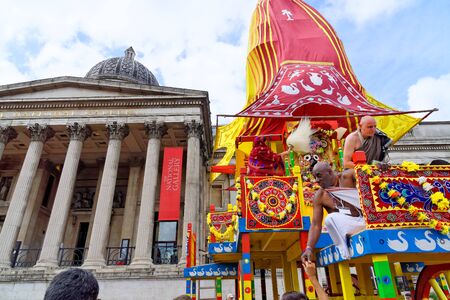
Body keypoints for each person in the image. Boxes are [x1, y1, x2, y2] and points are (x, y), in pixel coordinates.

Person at [301, 162, 365, 261]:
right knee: (330, 219)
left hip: (367, 220)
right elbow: (315, 225)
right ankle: (344, 252)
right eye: (315, 177)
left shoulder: (347, 177)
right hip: (349, 227)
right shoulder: (320, 195)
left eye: (319, 176)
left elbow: (367, 175)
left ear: (330, 172)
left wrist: (379, 169)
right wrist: (309, 248)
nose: (317, 180)